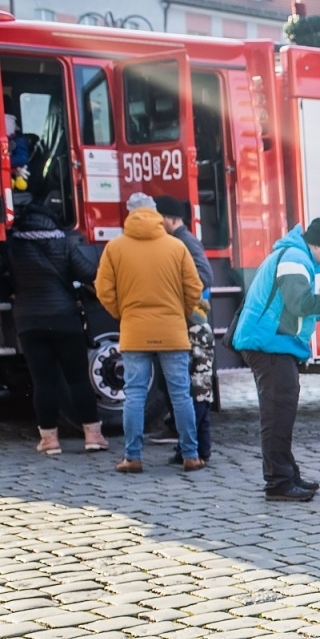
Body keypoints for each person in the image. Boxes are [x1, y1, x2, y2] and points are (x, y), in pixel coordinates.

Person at [232, 216, 320, 501]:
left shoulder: (294, 255)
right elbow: (300, 304)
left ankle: (288, 474)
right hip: (269, 344)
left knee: (281, 411)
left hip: (273, 343)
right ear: (319, 246)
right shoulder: (296, 258)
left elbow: (290, 309)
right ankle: (279, 482)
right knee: (277, 413)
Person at [95, 193, 204, 474]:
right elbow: (194, 288)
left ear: (129, 214)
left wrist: (123, 312)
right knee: (181, 394)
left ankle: (132, 457)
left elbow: (103, 290)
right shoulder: (175, 247)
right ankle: (191, 455)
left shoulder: (115, 248)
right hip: (172, 330)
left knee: (134, 395)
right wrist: (176, 311)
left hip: (134, 330)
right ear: (155, 213)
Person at [5, 198, 106, 454]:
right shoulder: (63, 241)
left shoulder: (13, 245)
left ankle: (49, 440)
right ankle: (93, 435)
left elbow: (3, 278)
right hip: (64, 319)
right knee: (78, 380)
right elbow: (87, 273)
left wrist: (13, 293)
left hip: (29, 322)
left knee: (43, 382)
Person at [155, 195, 216, 466]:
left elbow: (205, 276)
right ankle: (197, 448)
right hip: (193, 321)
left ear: (170, 219)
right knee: (195, 387)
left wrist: (178, 290)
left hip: (192, 323)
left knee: (194, 388)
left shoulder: (184, 241)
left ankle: (196, 449)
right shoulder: (182, 240)